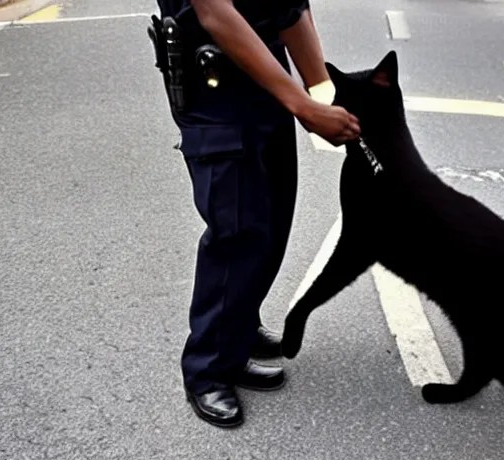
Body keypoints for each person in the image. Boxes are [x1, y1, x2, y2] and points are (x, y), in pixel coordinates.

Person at [151, 0, 360, 428]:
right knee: (237, 230)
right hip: (214, 87)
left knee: (271, 221)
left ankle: (237, 331)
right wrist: (303, 106)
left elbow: (290, 6)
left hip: (267, 77)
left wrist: (321, 94)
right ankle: (208, 370)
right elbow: (214, 12)